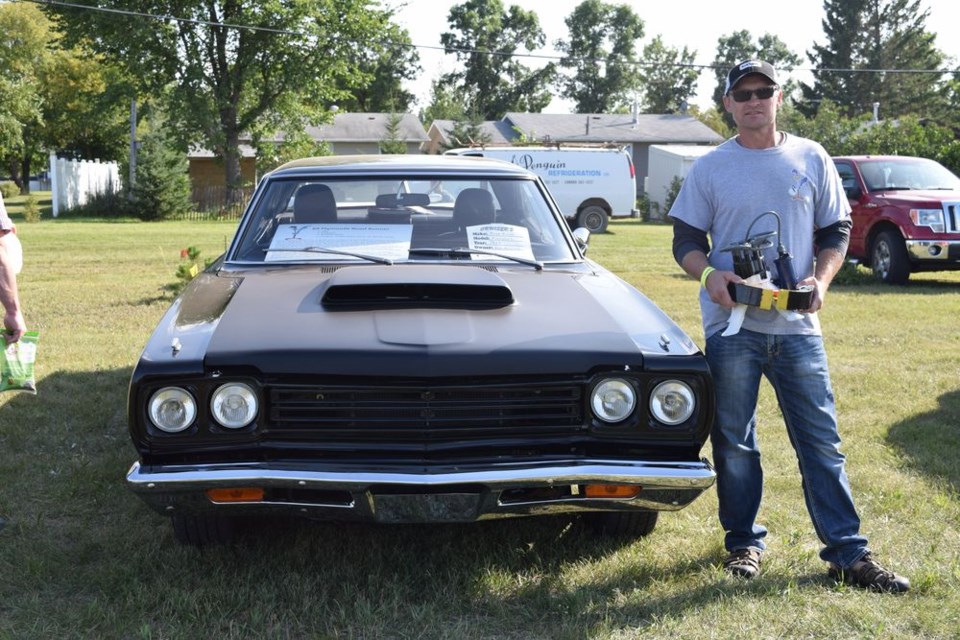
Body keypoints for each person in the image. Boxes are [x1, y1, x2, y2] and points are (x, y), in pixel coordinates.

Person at [668, 59, 909, 592]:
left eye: (764, 90)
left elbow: (836, 229)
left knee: (822, 442)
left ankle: (848, 554)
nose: (754, 100)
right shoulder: (710, 168)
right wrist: (709, 274)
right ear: (728, 103)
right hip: (733, 331)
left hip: (798, 331)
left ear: (779, 97)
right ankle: (744, 545)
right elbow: (685, 239)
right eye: (743, 92)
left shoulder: (811, 156)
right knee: (734, 442)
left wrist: (821, 282)